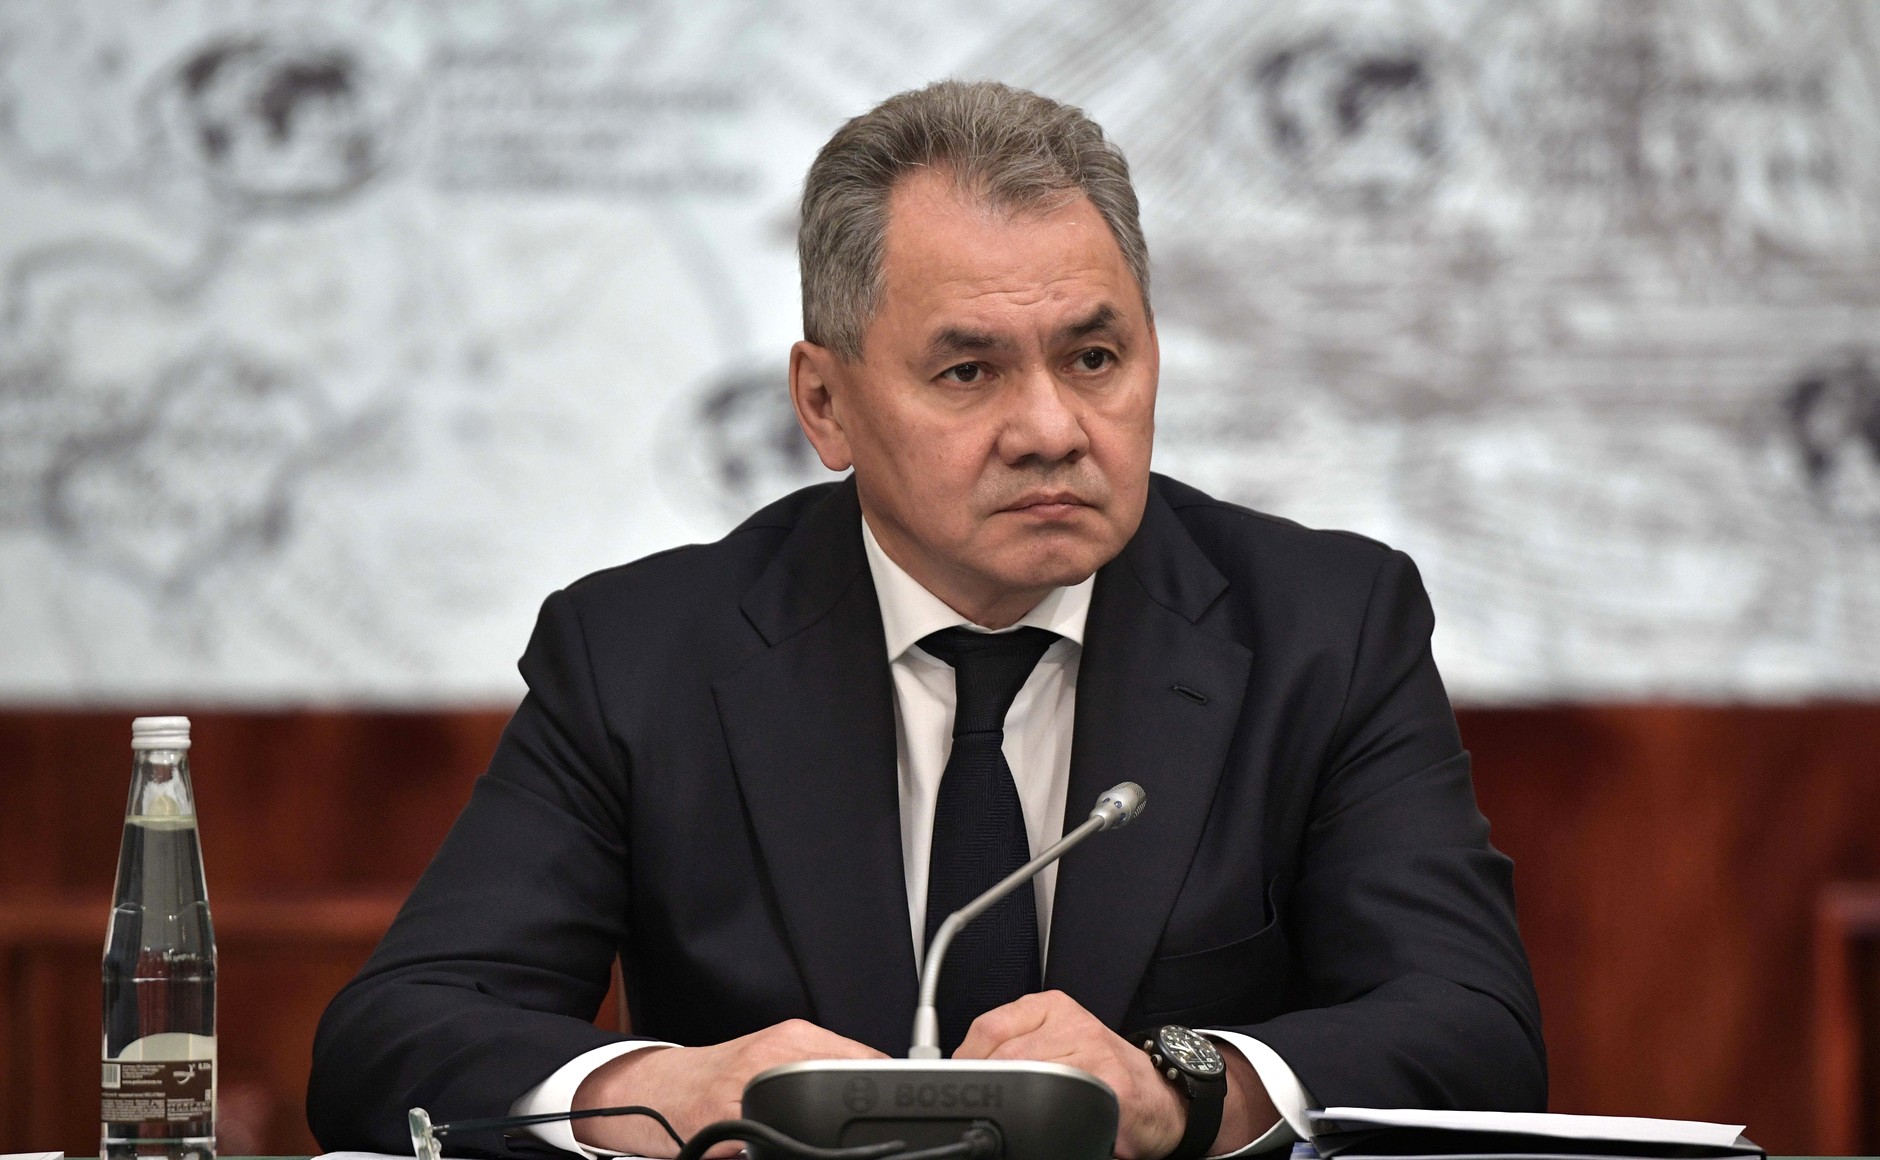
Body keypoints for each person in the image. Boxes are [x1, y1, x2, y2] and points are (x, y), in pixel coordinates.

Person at [307, 80, 1544, 1160]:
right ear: (824, 403)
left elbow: (1472, 1029)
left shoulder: (1323, 629)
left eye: (1094, 358)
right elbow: (391, 1037)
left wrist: (1184, 1087)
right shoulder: (642, 656)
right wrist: (665, 1089)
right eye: (968, 371)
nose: (1050, 429)